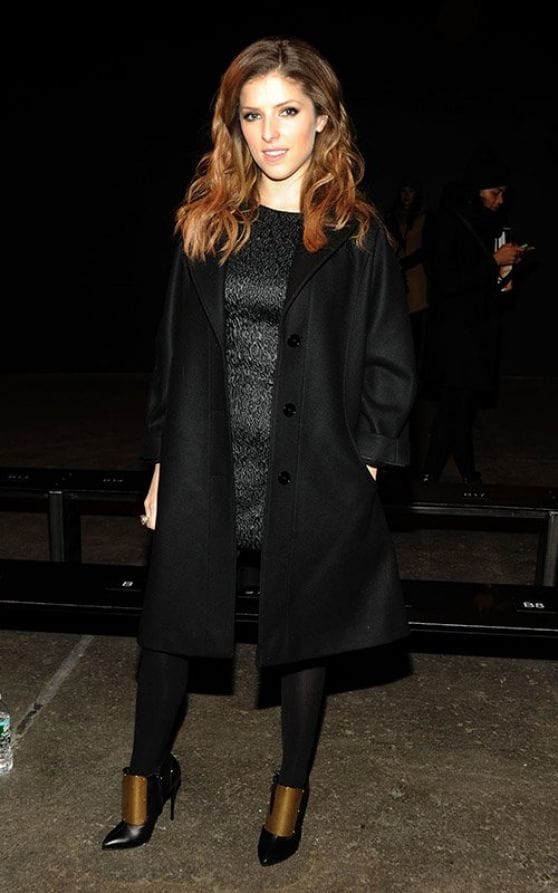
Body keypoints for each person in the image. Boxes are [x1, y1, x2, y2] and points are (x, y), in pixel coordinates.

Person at [101, 36, 416, 867]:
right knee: (167, 630)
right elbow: (172, 354)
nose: (270, 133)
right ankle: (143, 781)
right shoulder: (208, 224)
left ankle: (289, 792)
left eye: (287, 111)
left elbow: (390, 361)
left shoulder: (356, 235)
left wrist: (365, 465)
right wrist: (162, 463)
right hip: (208, 459)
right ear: (233, 125)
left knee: (303, 635)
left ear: (323, 119)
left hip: (309, 465)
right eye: (252, 115)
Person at [420, 146, 527, 495]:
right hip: (454, 334)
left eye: (503, 194)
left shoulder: (488, 226)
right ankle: (438, 475)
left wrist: (505, 273)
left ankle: (455, 473)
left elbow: (480, 282)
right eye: (494, 193)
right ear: (476, 190)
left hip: (477, 330)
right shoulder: (448, 221)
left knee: (461, 408)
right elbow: (447, 281)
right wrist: (493, 262)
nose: (499, 201)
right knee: (455, 406)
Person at [385, 176, 432, 371]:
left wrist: (406, 262)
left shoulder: (424, 218)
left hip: (418, 280)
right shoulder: (391, 217)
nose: (406, 196)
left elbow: (427, 249)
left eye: (410, 192)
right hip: (396, 280)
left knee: (418, 330)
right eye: (403, 191)